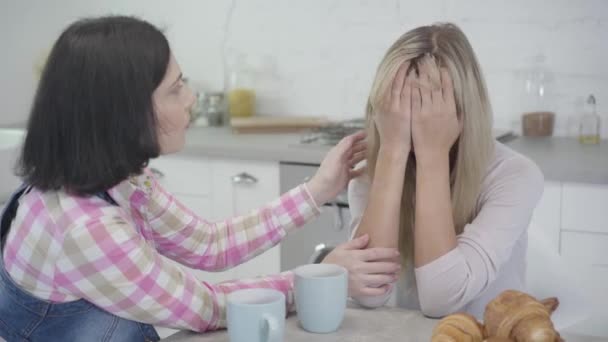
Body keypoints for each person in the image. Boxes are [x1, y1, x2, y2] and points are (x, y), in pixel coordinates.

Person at [0, 16, 401, 341]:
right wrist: (316, 277)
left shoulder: (118, 178)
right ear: (125, 111)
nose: (191, 98)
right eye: (175, 90)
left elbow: (211, 244)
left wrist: (318, 190)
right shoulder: (86, 229)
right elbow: (206, 308)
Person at [322, 23, 544, 319]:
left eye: (429, 108)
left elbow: (442, 301)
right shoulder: (372, 175)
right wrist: (391, 152)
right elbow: (369, 295)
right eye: (399, 108)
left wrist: (433, 156)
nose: (413, 123)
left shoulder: (515, 175)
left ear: (463, 112)